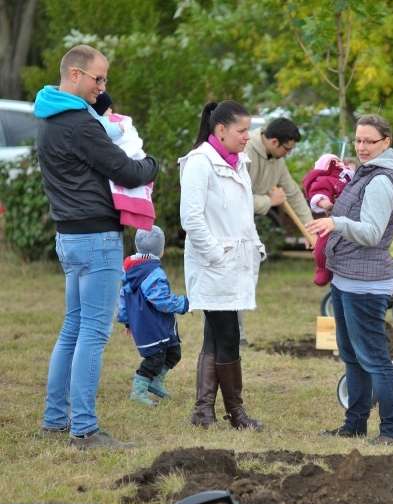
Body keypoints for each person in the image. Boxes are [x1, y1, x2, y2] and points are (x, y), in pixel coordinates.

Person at [34, 44, 158, 449]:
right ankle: (84, 429)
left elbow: (96, 113)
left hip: (68, 236)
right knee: (92, 333)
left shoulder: (51, 117)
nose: (102, 87)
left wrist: (97, 97)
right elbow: (125, 167)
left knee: (72, 328)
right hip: (98, 239)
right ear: (74, 75)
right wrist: (152, 164)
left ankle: (55, 420)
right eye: (97, 78)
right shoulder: (80, 125)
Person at [306, 114, 393, 446]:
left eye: (370, 141)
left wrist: (336, 224)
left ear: (386, 143)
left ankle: (392, 430)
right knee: (352, 355)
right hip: (345, 278)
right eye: (358, 140)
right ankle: (355, 425)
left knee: (375, 358)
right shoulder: (366, 173)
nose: (362, 147)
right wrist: (330, 212)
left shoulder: (381, 180)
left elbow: (372, 233)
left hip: (365, 284)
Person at [180, 100, 266, 431]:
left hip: (236, 262)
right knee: (228, 334)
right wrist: (217, 256)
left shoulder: (238, 162)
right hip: (214, 264)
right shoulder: (200, 162)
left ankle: (203, 412)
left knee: (213, 335)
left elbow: (243, 214)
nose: (248, 137)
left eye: (249, 129)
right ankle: (237, 413)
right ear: (221, 130)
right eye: (242, 130)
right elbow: (191, 219)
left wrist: (256, 246)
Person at [240, 117, 314, 346]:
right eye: (288, 149)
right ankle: (228, 336)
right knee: (228, 281)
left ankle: (238, 336)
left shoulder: (277, 160)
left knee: (245, 278)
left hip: (246, 225)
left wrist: (311, 229)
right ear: (273, 141)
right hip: (225, 224)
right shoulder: (244, 152)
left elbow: (292, 193)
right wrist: (268, 201)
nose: (289, 154)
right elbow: (233, 198)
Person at [117, 226, 189, 407]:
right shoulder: (153, 273)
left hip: (156, 325)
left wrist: (126, 320)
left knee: (173, 353)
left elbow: (123, 297)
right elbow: (161, 300)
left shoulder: (131, 271)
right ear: (161, 250)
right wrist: (184, 304)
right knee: (154, 359)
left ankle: (155, 382)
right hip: (151, 326)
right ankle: (138, 391)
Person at [90, 91, 156, 230]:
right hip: (128, 158)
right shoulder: (100, 123)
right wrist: (122, 128)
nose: (112, 111)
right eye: (108, 109)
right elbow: (109, 130)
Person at [301, 153, 354, 285]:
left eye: (338, 160)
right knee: (322, 243)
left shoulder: (350, 177)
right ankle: (322, 267)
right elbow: (319, 193)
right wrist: (325, 203)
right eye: (332, 162)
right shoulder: (325, 180)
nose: (337, 163)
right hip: (333, 220)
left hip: (353, 220)